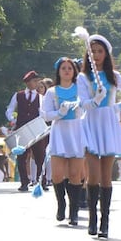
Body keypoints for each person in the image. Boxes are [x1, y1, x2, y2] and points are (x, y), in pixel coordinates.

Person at [77, 34, 121, 238]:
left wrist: (116, 107)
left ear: (106, 54)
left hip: (109, 126)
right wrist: (96, 99)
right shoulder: (83, 77)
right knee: (92, 176)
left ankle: (105, 223)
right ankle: (92, 220)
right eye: (92, 51)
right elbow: (82, 103)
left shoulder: (115, 76)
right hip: (91, 125)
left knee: (106, 177)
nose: (95, 55)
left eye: (99, 51)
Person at [41, 57, 85, 225]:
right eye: (63, 68)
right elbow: (45, 114)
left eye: (70, 68)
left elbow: (88, 106)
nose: (67, 71)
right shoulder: (52, 92)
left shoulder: (80, 89)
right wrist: (59, 113)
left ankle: (74, 211)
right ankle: (61, 203)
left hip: (76, 131)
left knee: (75, 174)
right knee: (58, 174)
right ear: (58, 72)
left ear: (74, 72)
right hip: (59, 132)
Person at [5, 71, 46, 192]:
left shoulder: (40, 97)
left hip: (36, 129)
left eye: (37, 81)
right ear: (28, 82)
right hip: (21, 129)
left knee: (40, 156)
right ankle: (24, 182)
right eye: (34, 81)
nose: (36, 83)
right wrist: (12, 119)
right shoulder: (18, 95)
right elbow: (9, 109)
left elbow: (43, 113)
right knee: (21, 156)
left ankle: (41, 181)